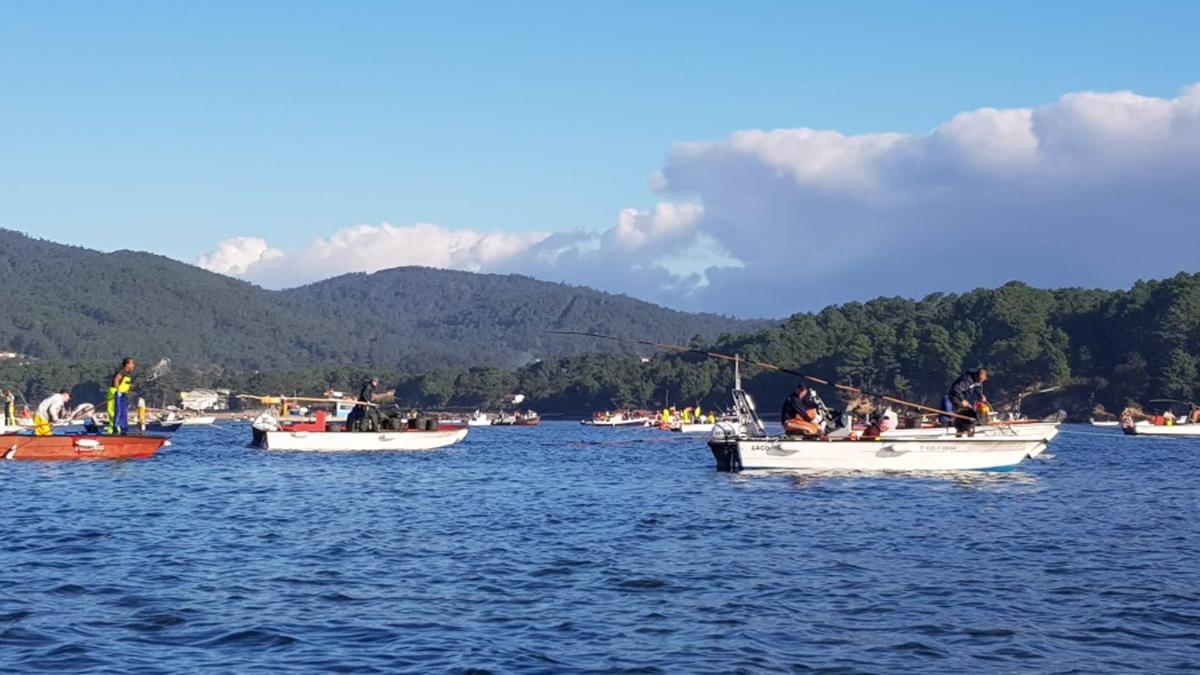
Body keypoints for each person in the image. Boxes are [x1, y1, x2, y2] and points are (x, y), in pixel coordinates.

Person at [106, 357, 135, 435]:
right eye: (132, 363)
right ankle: (115, 428)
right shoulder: (122, 371)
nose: (133, 365)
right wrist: (118, 391)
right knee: (117, 411)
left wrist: (130, 387)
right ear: (127, 364)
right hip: (115, 393)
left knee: (123, 411)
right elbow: (116, 380)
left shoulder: (128, 374)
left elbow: (124, 384)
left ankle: (123, 428)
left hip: (122, 394)